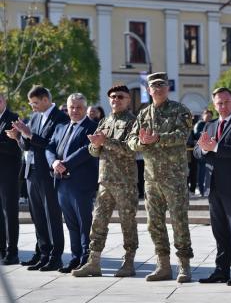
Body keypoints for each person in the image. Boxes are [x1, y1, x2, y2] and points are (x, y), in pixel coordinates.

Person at [128, 72, 194, 283]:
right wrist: (143, 143)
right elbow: (131, 141)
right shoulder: (143, 114)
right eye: (153, 87)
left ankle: (184, 265)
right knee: (154, 224)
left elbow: (183, 137)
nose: (157, 89)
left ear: (168, 88)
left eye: (161, 86)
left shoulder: (180, 110)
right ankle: (163, 265)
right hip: (151, 178)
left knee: (179, 222)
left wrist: (157, 138)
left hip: (174, 178)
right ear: (148, 90)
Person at [73, 85, 138, 278]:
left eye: (120, 97)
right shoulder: (105, 121)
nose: (115, 100)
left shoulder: (134, 122)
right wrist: (95, 145)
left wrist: (105, 142)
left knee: (128, 223)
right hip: (105, 181)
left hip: (125, 182)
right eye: (112, 97)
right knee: (98, 222)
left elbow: (131, 149)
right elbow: (94, 151)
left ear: (128, 100)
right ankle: (94, 262)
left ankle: (129, 262)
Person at [194, 87, 231, 286]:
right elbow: (196, 152)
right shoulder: (209, 126)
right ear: (214, 104)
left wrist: (216, 147)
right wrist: (203, 149)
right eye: (219, 103)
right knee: (219, 232)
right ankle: (221, 270)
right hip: (213, 186)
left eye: (227, 102)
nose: (223, 106)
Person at [7, 85, 68, 271]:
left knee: (52, 217)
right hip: (30, 172)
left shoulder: (60, 118)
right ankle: (42, 254)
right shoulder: (34, 117)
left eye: (35, 103)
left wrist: (29, 134)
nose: (32, 107)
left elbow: (53, 145)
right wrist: (17, 137)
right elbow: (27, 146)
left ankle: (55, 257)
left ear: (45, 100)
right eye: (30, 103)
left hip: (48, 174)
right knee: (38, 217)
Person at [46, 93, 98, 273]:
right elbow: (50, 147)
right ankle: (75, 258)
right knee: (70, 224)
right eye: (72, 107)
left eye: (79, 107)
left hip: (81, 185)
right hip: (62, 183)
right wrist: (54, 162)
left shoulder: (92, 127)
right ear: (67, 108)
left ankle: (86, 259)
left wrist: (64, 164)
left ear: (85, 109)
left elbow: (86, 151)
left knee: (84, 223)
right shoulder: (61, 127)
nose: (75, 111)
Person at [0, 93, 21, 265]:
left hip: (9, 174)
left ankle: (12, 252)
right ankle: (1, 249)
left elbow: (16, 147)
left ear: (4, 101)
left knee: (10, 213)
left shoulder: (13, 119)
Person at [193, 110, 213, 196]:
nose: (208, 118)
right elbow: (196, 134)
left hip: (211, 151)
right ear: (203, 116)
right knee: (201, 172)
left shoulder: (212, 124)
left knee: (211, 171)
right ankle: (201, 190)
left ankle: (209, 190)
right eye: (207, 116)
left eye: (210, 117)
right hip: (202, 151)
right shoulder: (199, 124)